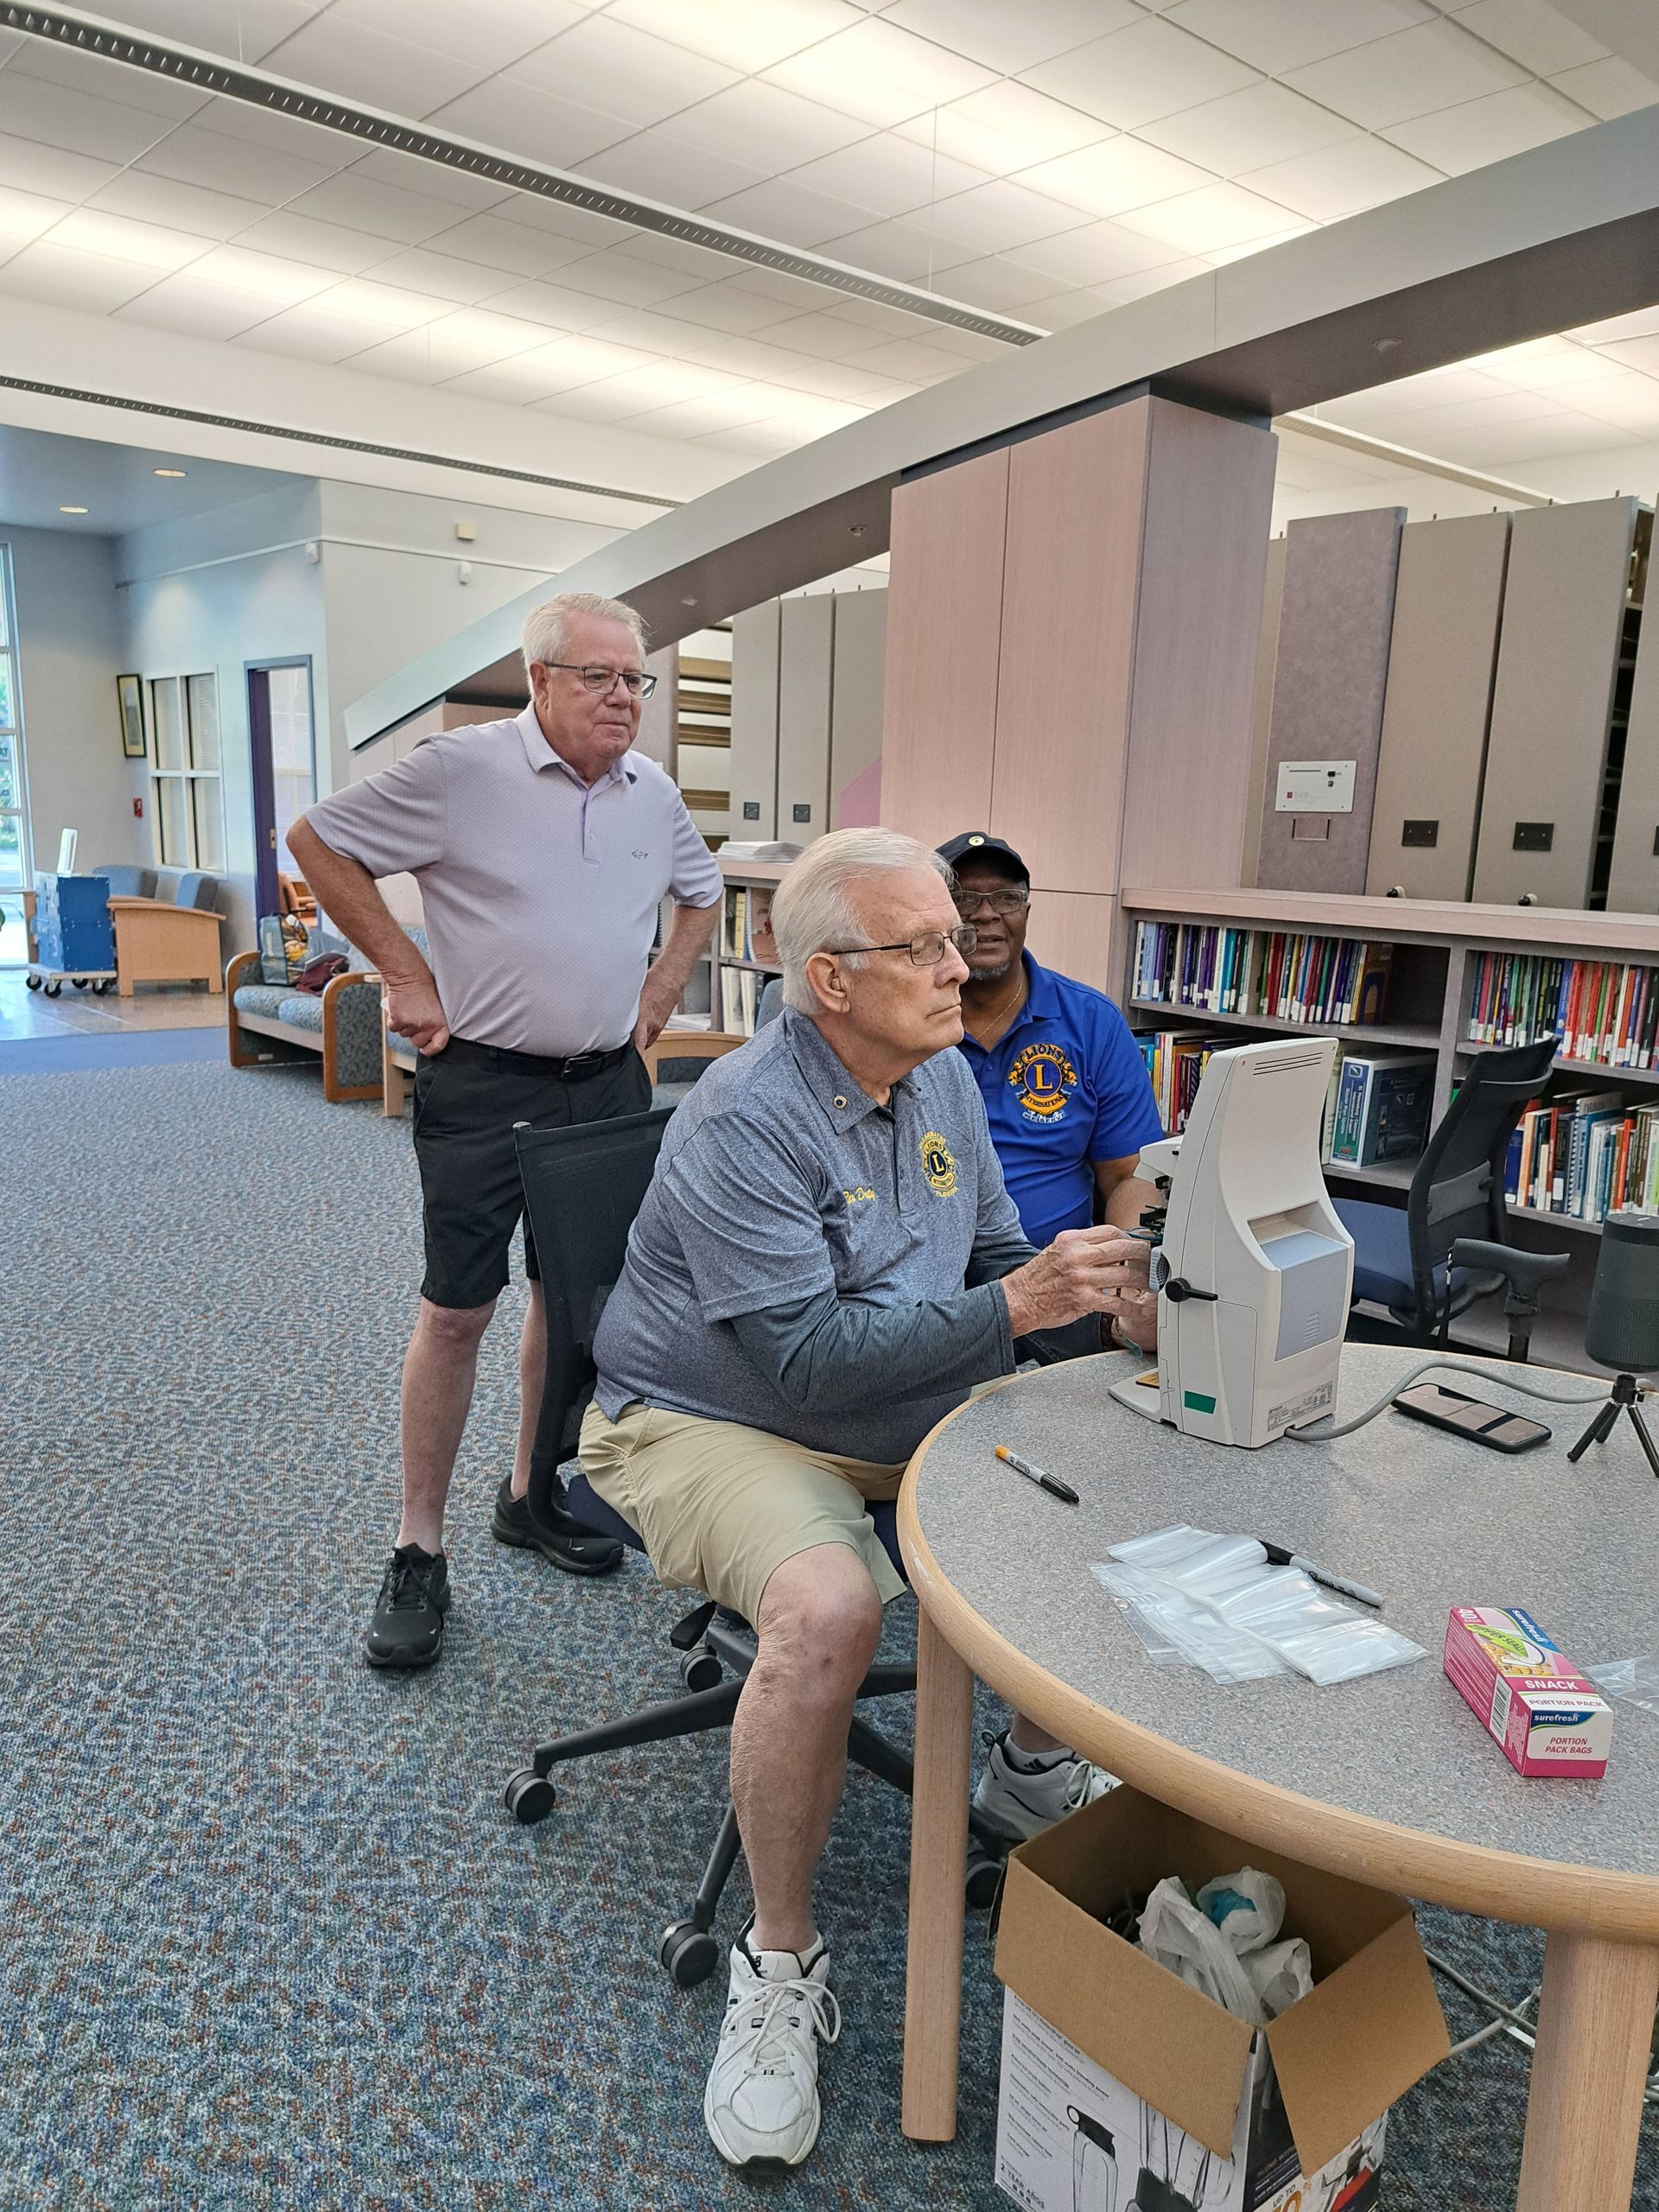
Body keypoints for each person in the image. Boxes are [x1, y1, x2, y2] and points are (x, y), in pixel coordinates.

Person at [577, 828, 1158, 2171]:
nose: (966, 964)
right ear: (830, 981)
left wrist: (1102, 1318)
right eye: (928, 946)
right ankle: (777, 1966)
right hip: (708, 1418)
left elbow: (999, 1251)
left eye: (959, 938)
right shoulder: (746, 1114)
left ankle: (1020, 1773)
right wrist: (1016, 1308)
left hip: (887, 1406)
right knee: (829, 1605)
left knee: (1098, 1472)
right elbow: (808, 1364)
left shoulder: (945, 1075)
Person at [288, 591, 721, 1670]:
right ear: (540, 680)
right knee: (456, 1310)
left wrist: (664, 986)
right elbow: (318, 840)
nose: (624, 698)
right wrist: (402, 970)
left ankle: (533, 1489)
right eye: (599, 677)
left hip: (605, 1086)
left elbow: (702, 893)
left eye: (636, 680)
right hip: (480, 1083)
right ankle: (417, 1545)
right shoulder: (461, 771)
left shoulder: (650, 790)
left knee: (575, 1303)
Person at [940, 832, 1164, 1283]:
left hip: (1064, 1277)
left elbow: (1129, 1175)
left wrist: (1122, 1276)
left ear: (1026, 910)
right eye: (964, 898)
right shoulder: (907, 1020)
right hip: (933, 1282)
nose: (986, 914)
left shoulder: (1091, 1021)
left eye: (1006, 897)